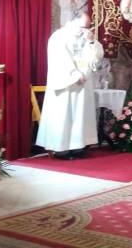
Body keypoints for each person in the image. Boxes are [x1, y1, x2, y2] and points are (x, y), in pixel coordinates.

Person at [36, 9, 103, 159]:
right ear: (72, 22)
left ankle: (78, 146)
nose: (84, 30)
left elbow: (97, 56)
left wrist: (92, 41)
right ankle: (61, 149)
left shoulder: (86, 37)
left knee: (80, 116)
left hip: (83, 83)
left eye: (87, 27)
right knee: (64, 115)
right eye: (82, 26)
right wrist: (74, 73)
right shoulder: (59, 37)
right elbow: (59, 58)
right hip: (66, 83)